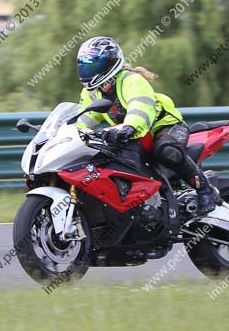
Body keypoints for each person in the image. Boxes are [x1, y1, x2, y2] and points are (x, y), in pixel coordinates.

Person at [74, 36, 216, 216]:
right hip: (133, 133)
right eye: (84, 66)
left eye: (93, 66)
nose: (88, 71)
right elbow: (85, 116)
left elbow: (140, 108)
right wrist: (70, 133)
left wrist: (129, 126)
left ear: (110, 64)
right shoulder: (92, 92)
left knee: (166, 150)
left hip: (162, 126)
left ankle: (205, 190)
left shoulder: (131, 81)